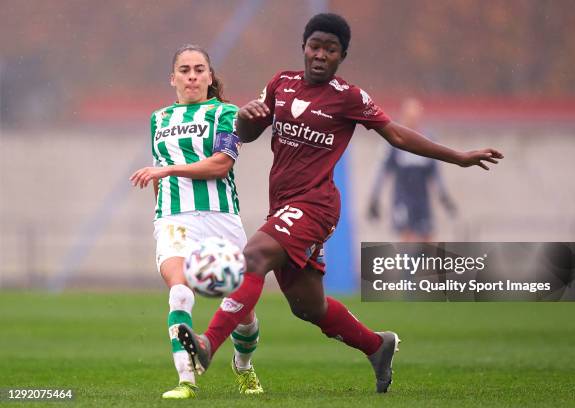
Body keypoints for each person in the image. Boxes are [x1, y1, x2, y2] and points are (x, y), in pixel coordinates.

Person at [177, 14, 503, 393]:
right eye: (315, 46)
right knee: (307, 307)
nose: (320, 55)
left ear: (341, 56)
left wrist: (459, 157)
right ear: (304, 47)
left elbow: (396, 134)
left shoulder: (348, 97)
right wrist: (248, 117)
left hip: (316, 205)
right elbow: (248, 132)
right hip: (282, 205)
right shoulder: (281, 85)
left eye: (330, 50)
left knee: (253, 258)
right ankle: (377, 345)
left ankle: (207, 344)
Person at [129, 44, 263, 399]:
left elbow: (222, 164)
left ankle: (244, 366)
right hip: (175, 219)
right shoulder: (158, 119)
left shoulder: (226, 113)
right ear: (172, 78)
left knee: (243, 310)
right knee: (179, 291)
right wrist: (162, 212)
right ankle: (186, 380)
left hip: (221, 219)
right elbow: (159, 172)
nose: (192, 76)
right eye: (184, 70)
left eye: (199, 69)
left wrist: (169, 169)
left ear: (209, 76)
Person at [368, 98, 457, 242]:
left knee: (428, 240)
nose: (413, 120)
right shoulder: (394, 139)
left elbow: (436, 172)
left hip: (422, 199)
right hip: (402, 199)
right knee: (406, 241)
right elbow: (382, 170)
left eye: (416, 117)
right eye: (410, 116)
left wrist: (444, 196)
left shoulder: (428, 139)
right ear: (403, 116)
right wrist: (374, 198)